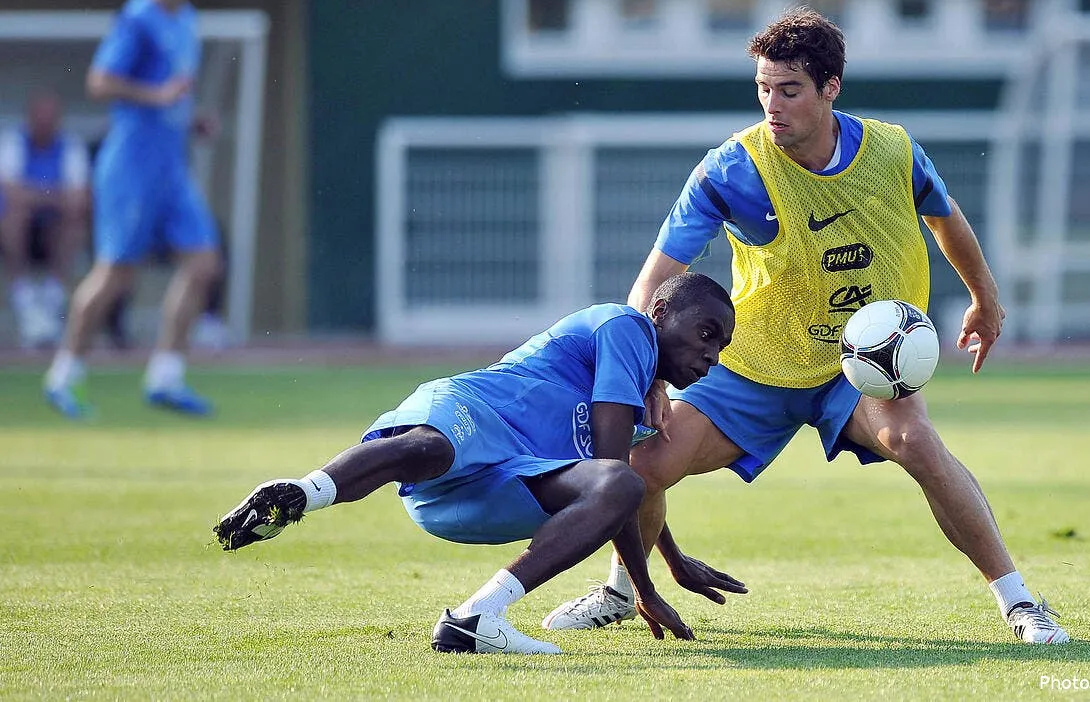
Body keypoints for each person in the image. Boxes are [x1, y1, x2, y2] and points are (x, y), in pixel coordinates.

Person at [543, 8, 1070, 645]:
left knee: (915, 443)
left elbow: (945, 216)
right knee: (645, 464)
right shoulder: (732, 170)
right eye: (763, 88)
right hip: (757, 362)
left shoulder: (892, 151)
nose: (773, 104)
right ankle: (621, 591)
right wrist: (646, 373)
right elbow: (653, 282)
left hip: (866, 360)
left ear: (830, 88)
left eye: (789, 89)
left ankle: (1021, 602)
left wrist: (985, 299)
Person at [214, 272, 735, 654]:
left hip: (496, 483)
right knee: (431, 447)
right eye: (705, 333)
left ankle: (476, 618)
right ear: (659, 313)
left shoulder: (641, 401)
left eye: (721, 347)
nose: (711, 356)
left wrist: (669, 560)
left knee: (617, 484)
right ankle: (301, 493)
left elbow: (619, 485)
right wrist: (645, 587)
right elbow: (612, 462)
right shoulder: (629, 327)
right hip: (478, 412)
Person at [43, 0, 222, 418]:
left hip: (171, 167)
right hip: (131, 167)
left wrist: (191, 117)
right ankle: (63, 375)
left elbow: (173, 93)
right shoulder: (136, 19)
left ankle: (166, 376)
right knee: (116, 273)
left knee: (203, 263)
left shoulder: (188, 20)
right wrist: (157, 96)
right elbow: (100, 82)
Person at [0, 89, 90, 349]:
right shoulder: (13, 142)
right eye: (40, 115)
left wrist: (37, 195)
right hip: (19, 232)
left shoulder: (70, 146)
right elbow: (11, 193)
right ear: (29, 117)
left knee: (74, 219)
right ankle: (24, 296)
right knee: (13, 214)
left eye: (50, 116)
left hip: (53, 229)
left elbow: (79, 198)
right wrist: (52, 195)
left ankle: (53, 296)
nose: (45, 121)